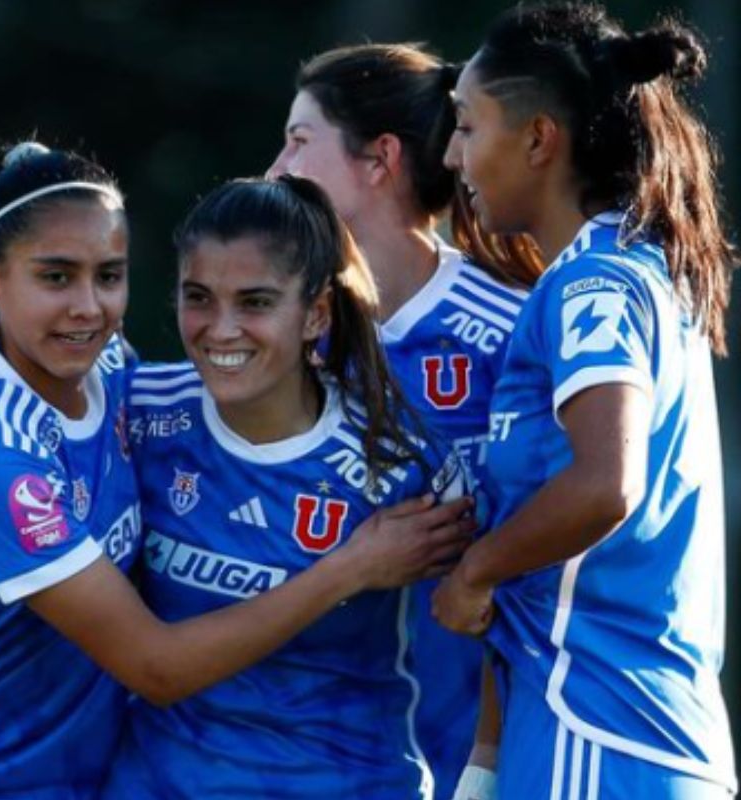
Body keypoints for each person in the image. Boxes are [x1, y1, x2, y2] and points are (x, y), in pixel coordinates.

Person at [0, 143, 472, 799]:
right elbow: (155, 667)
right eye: (56, 278)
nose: (87, 307)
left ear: (315, 313)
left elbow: (489, 603)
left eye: (108, 276)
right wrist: (348, 568)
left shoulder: (115, 381)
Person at [433, 3, 736, 798]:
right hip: (627, 742)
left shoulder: (592, 284)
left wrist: (474, 572)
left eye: (468, 126)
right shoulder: (636, 270)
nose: (453, 154)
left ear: (538, 139)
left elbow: (606, 483)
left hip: (598, 739)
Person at [100, 175, 486, 798]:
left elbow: (503, 613)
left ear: (315, 315)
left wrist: (485, 770)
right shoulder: (138, 413)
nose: (220, 329)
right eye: (199, 297)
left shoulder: (399, 464)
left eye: (255, 303)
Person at [266, 42, 541, 799]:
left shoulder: (510, 329)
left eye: (298, 142)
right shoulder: (288, 336)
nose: (274, 172)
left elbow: (548, 550)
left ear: (379, 158)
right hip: (319, 760)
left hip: (473, 756)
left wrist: (487, 762)